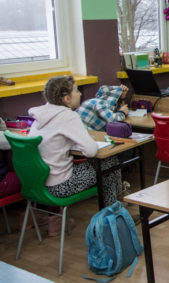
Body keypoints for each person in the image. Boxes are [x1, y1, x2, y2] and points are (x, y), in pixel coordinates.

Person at [28, 76, 122, 207]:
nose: (80, 94)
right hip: (60, 186)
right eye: (77, 91)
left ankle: (116, 204)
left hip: (38, 183)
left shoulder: (39, 115)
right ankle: (114, 210)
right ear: (66, 98)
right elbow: (91, 151)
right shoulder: (68, 116)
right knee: (109, 162)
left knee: (102, 165)